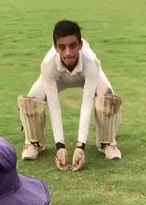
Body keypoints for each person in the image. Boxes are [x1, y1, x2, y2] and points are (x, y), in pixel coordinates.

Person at [17, 20, 123, 170]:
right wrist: (60, 146)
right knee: (31, 101)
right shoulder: (48, 65)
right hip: (58, 78)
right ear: (56, 48)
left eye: (73, 46)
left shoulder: (90, 62)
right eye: (62, 47)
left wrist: (80, 147)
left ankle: (107, 143)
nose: (68, 52)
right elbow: (54, 106)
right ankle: (34, 143)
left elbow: (86, 105)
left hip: (87, 75)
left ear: (80, 45)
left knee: (108, 100)